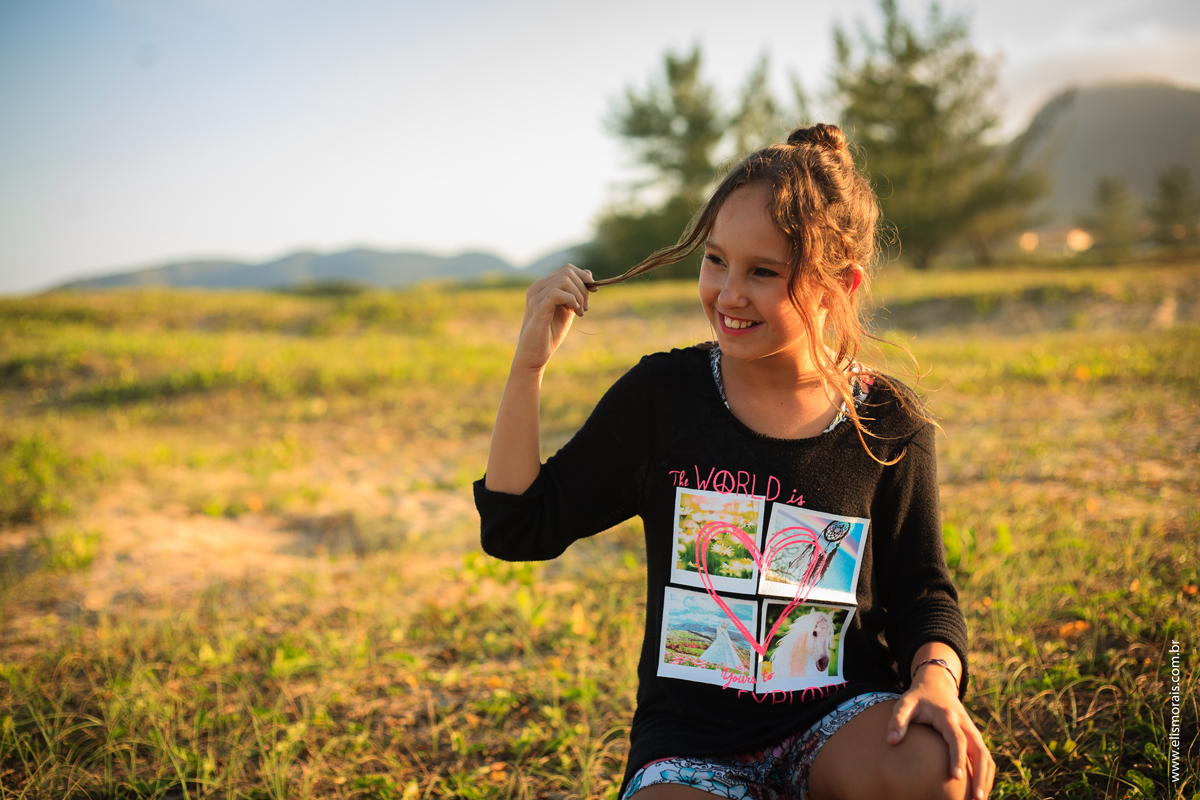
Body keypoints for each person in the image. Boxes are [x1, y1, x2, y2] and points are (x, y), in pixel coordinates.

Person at [474, 123, 995, 800]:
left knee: (934, 768)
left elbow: (924, 591)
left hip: (839, 719)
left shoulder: (887, 422)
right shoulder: (663, 397)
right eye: (715, 260)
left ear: (841, 283)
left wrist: (934, 682)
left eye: (764, 272)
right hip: (691, 745)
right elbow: (520, 528)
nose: (727, 294)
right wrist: (528, 366)